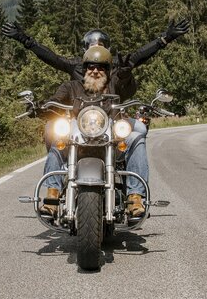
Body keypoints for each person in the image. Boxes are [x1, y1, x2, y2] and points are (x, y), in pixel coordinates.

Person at [39, 45, 150, 218]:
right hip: (78, 138)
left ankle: (135, 197)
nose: (95, 71)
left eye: (101, 67)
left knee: (136, 138)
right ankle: (52, 194)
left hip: (110, 139)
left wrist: (127, 75)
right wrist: (43, 108)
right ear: (84, 69)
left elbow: (128, 88)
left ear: (108, 70)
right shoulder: (72, 87)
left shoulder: (115, 84)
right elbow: (55, 102)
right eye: (91, 67)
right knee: (57, 139)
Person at [0, 19, 190, 101]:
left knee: (138, 134)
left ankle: (136, 185)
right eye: (91, 44)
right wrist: (25, 40)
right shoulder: (75, 65)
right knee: (52, 134)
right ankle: (54, 182)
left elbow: (140, 54)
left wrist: (165, 38)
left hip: (112, 117)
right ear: (85, 48)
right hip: (80, 119)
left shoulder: (119, 64)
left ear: (107, 48)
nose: (96, 47)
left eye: (100, 44)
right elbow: (52, 58)